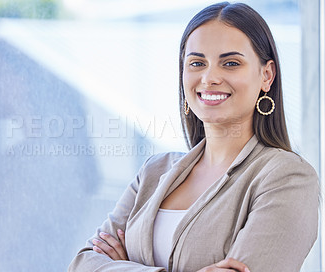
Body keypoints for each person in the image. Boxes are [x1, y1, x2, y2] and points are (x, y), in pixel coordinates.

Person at [67, 2, 319, 272]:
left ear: (266, 75)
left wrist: (124, 266)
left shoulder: (287, 177)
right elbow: (82, 263)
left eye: (231, 63)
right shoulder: (153, 172)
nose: (209, 78)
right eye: (197, 63)